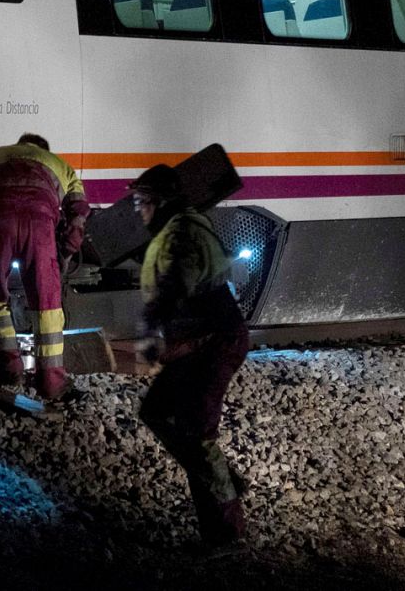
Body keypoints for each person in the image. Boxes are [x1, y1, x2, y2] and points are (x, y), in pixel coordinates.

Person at [129, 163, 252, 546]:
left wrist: (150, 329)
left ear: (160, 201)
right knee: (157, 412)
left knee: (198, 437)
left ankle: (227, 535)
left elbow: (174, 285)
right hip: (199, 342)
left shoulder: (181, 232)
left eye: (142, 202)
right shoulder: (181, 227)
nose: (138, 210)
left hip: (214, 342)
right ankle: (222, 479)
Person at [0, 133, 89, 400]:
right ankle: (51, 383)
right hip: (39, 226)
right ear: (43, 148)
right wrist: (67, 250)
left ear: (20, 145)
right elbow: (78, 213)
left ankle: (10, 369)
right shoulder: (59, 164)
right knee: (47, 304)